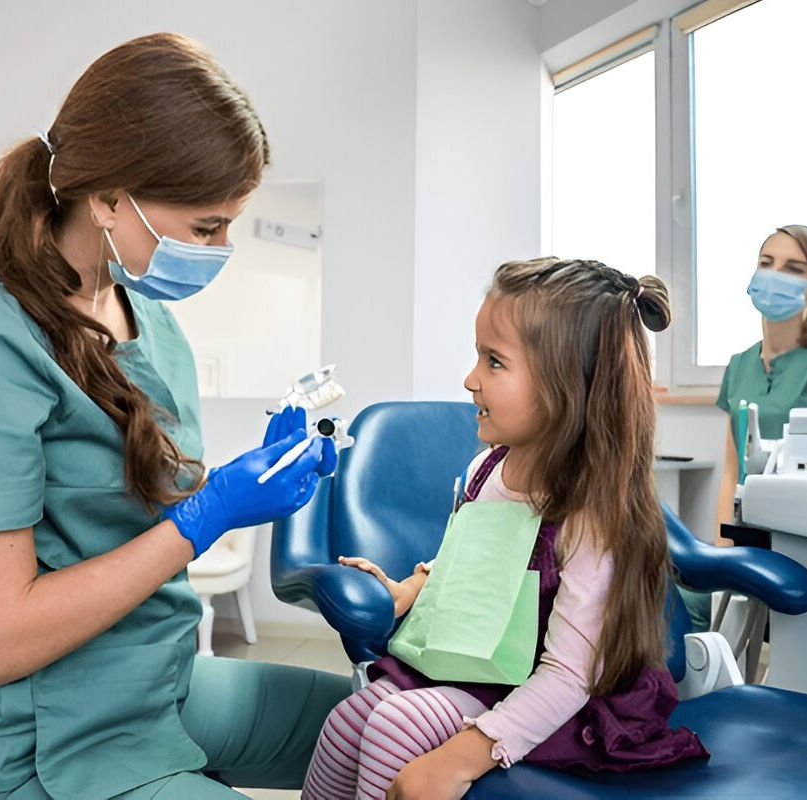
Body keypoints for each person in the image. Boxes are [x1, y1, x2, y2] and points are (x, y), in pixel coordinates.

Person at [0, 33, 350, 799]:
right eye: (207, 227)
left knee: (388, 730)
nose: (222, 249)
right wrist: (207, 516)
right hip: (31, 735)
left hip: (153, 681)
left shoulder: (147, 317)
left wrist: (238, 481)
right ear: (108, 198)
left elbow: (110, 502)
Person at [302, 259, 708, 800]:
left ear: (570, 385)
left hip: (563, 700)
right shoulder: (485, 469)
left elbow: (568, 676)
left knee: (396, 725)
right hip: (475, 669)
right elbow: (467, 563)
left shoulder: (591, 512)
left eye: (494, 362)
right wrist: (409, 590)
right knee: (347, 723)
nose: (470, 379)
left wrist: (455, 763)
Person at [715, 225, 807, 545]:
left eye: (794, 269)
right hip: (745, 535)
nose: (774, 275)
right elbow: (731, 472)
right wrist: (722, 552)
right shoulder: (739, 366)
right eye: (766, 264)